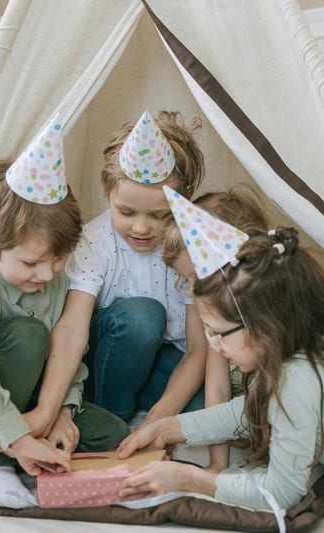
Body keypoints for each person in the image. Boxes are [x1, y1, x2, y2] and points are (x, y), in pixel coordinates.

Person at [117, 226, 324, 512]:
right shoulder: (309, 352)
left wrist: (187, 478)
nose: (214, 346)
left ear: (264, 327)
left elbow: (280, 493)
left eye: (218, 333)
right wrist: (167, 429)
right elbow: (249, 409)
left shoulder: (297, 378)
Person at [0, 120, 129, 510]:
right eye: (32, 263)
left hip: (26, 408)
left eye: (57, 259)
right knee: (29, 334)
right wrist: (15, 437)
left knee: (111, 433)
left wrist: (63, 410)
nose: (47, 274)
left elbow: (68, 352)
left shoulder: (51, 277)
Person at [50, 110, 206, 428]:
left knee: (204, 406)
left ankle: (141, 414)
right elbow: (72, 329)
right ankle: (108, 420)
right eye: (126, 212)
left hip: (161, 361)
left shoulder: (192, 249)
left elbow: (197, 348)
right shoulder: (95, 242)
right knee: (142, 317)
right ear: (107, 192)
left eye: (160, 215)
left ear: (186, 199)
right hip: (106, 360)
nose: (141, 228)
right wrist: (53, 406)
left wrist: (157, 420)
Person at [161, 186, 269, 472]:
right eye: (186, 280)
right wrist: (217, 463)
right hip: (239, 420)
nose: (191, 291)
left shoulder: (268, 318)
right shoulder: (215, 319)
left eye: (197, 277)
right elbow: (217, 389)